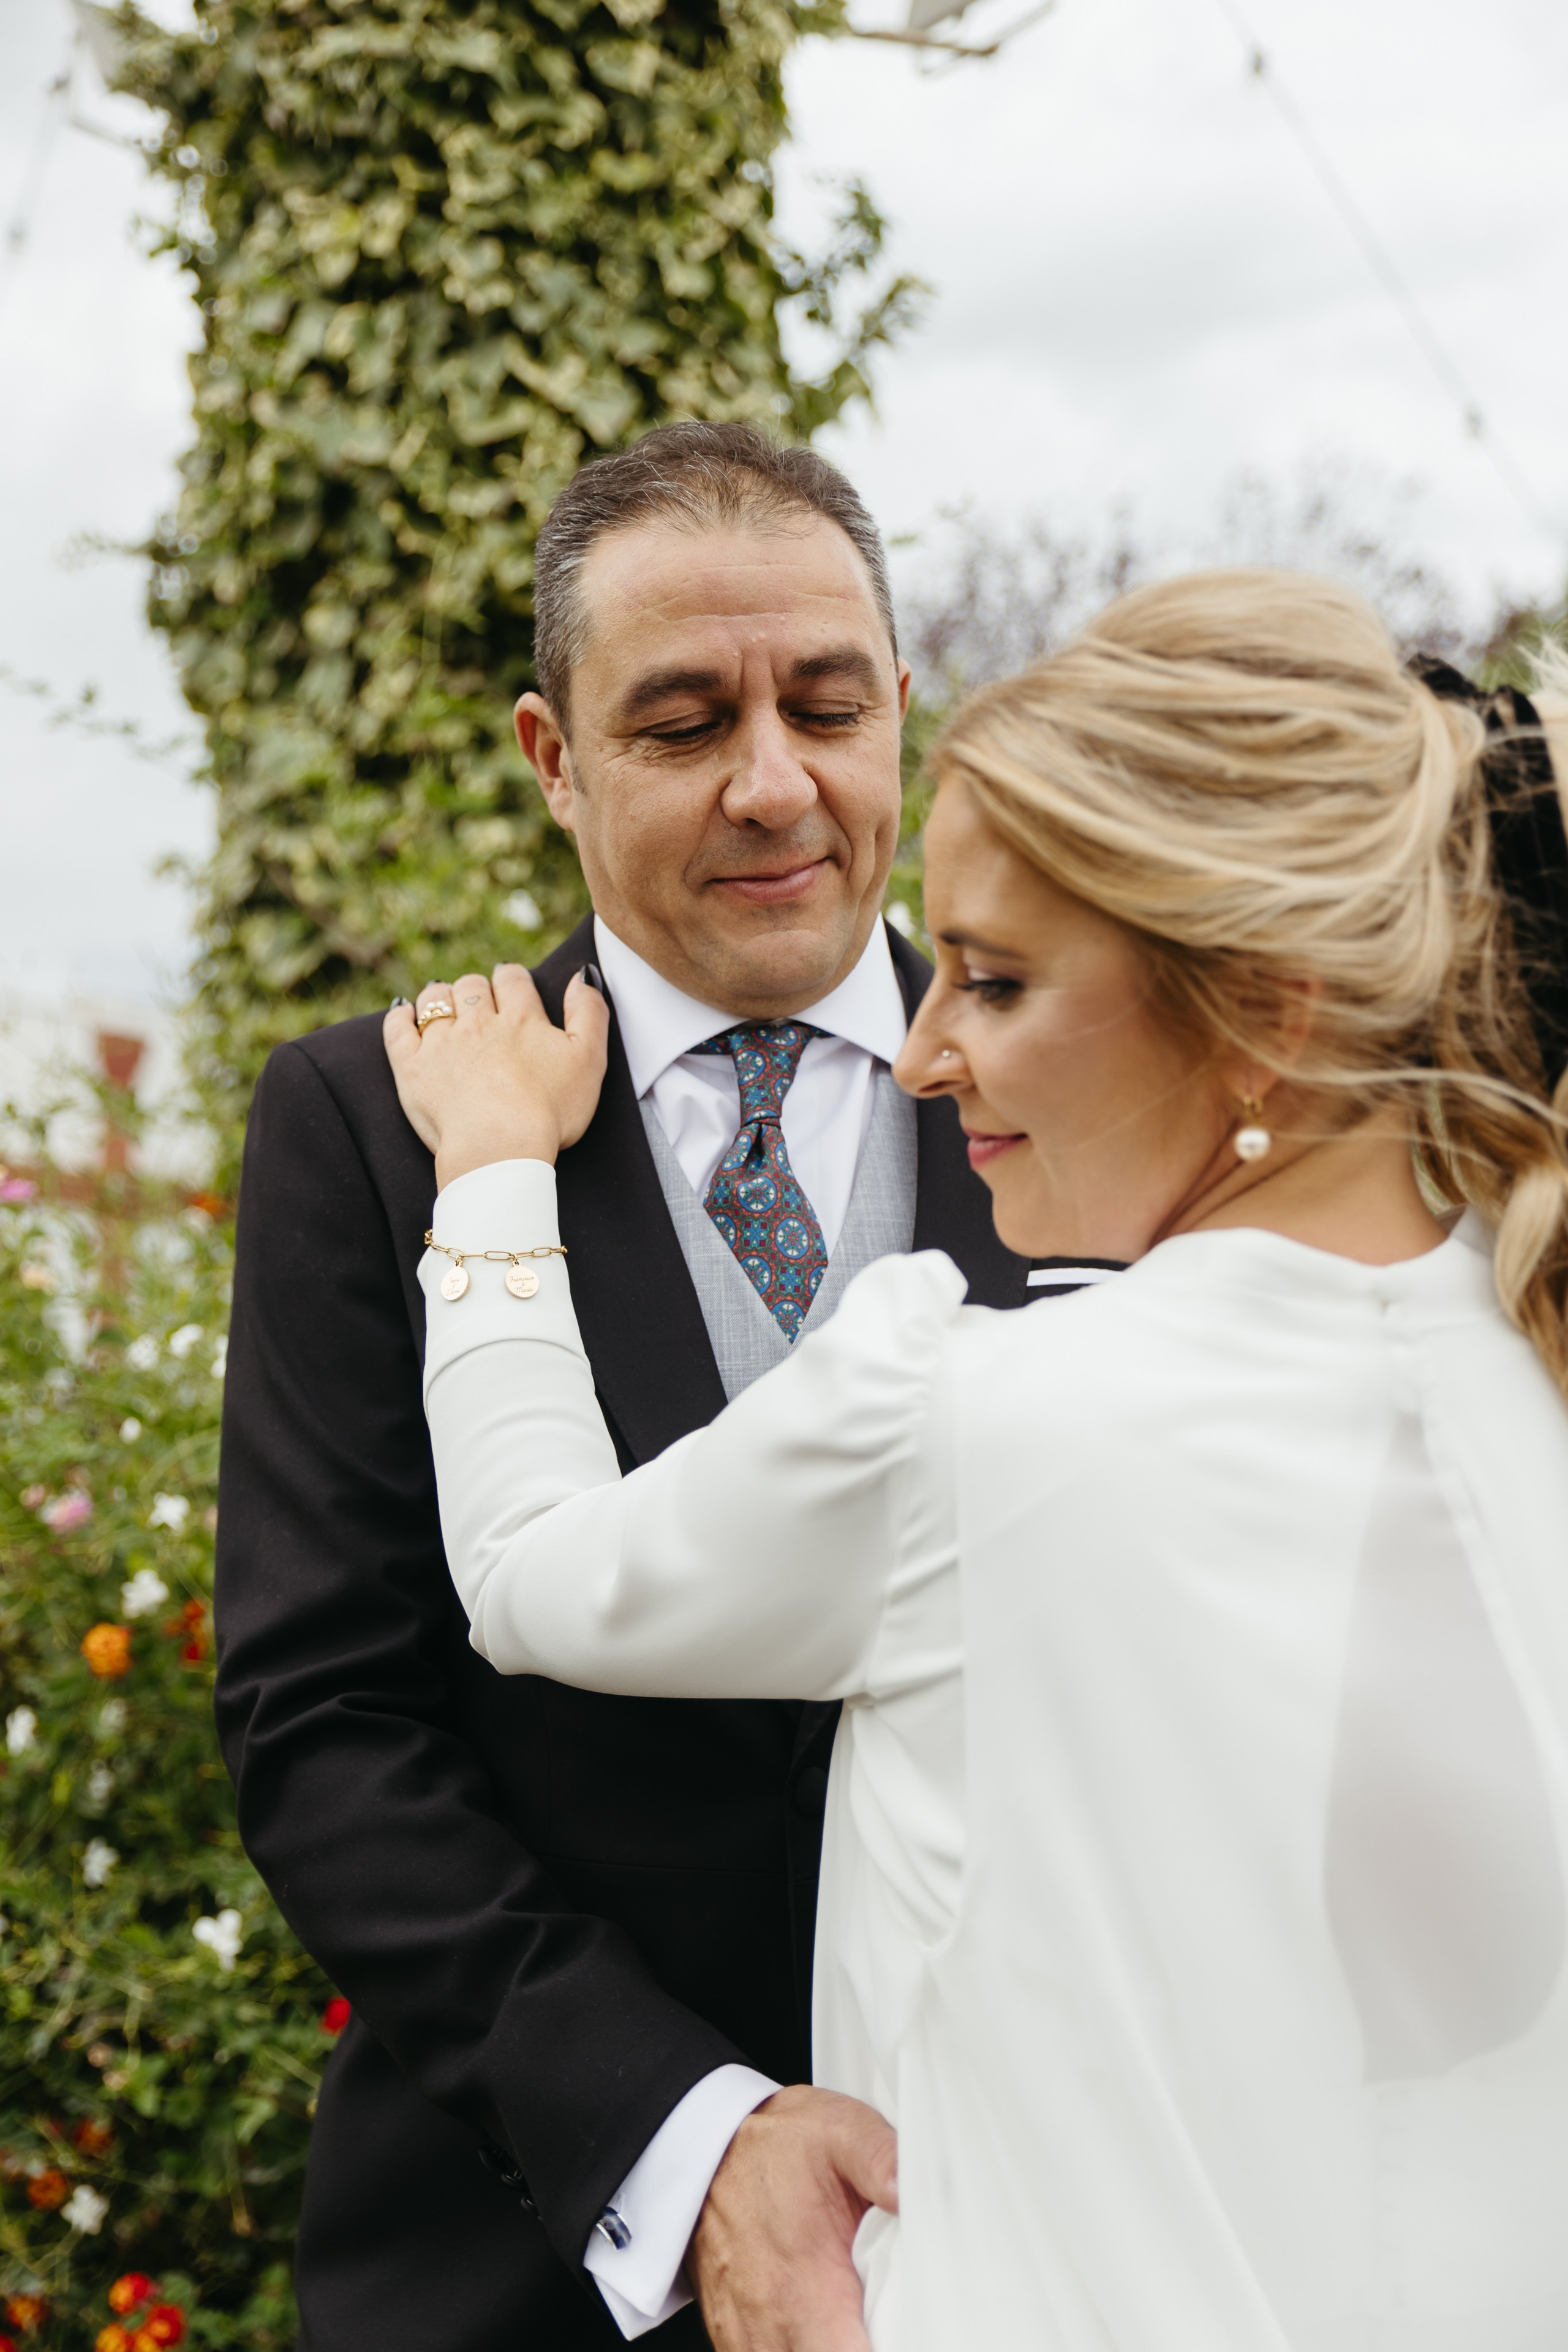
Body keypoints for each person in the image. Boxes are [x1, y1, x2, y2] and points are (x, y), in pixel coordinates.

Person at [389, 573, 1568, 2351]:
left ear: (1268, 1008)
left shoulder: (962, 1418)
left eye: (999, 983)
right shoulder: (1532, 1370)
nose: (926, 1050)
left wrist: (489, 1171)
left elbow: (526, 1574)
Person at [213, 421, 1031, 2352]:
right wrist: (688, 2134)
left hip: (1032, 2212)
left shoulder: (1093, 1085)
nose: (776, 783)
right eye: (682, 724)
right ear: (553, 757)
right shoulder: (369, 1123)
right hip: (533, 2262)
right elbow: (329, 1717)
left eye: (827, 705)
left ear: (902, 703)